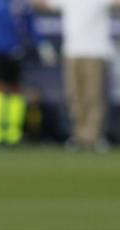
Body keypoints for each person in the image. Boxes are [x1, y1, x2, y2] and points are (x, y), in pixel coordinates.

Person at [31, 0, 120, 151]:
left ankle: (93, 136)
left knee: (93, 96)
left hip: (95, 52)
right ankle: (79, 135)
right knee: (74, 96)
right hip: (72, 52)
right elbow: (43, 4)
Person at [0, 0, 56, 145]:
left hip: (16, 51)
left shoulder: (21, 4)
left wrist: (42, 44)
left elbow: (31, 26)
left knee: (15, 91)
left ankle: (13, 132)